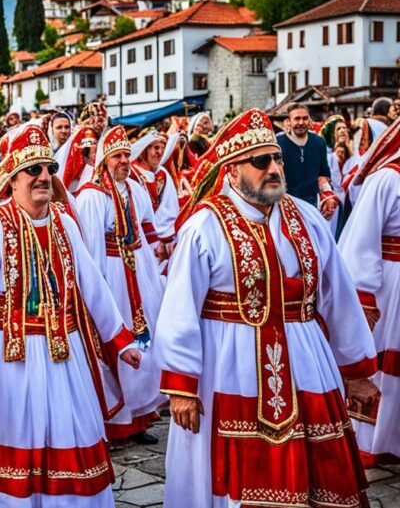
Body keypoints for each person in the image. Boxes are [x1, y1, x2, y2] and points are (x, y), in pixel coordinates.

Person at [154, 108, 379, 507]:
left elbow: (337, 296)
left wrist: (356, 370)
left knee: (318, 467)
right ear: (232, 170)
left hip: (307, 361)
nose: (274, 167)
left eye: (276, 158)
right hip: (228, 367)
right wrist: (182, 386)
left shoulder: (305, 218)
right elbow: (179, 310)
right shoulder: (204, 227)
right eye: (261, 161)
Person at [0, 123, 141, 507]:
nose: (44, 177)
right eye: (33, 170)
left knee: (73, 438)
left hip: (65, 360)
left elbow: (93, 286)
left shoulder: (65, 223)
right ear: (12, 178)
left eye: (49, 169)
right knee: (13, 448)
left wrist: (120, 340)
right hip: (8, 366)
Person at [75, 126, 166, 443]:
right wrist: (96, 289)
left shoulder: (136, 190)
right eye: (118, 156)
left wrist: (152, 276)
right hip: (111, 276)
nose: (124, 161)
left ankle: (140, 415)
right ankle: (116, 420)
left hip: (137, 272)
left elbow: (144, 234)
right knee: (117, 339)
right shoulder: (91, 195)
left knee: (144, 341)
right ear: (104, 160)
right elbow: (89, 247)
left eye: (128, 155)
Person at [339, 119, 400, 467]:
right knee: (385, 360)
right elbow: (362, 240)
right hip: (391, 283)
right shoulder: (387, 178)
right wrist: (364, 296)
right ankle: (375, 440)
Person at [277, 105, 337, 218]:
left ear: (309, 120)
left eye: (305, 118)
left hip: (312, 204)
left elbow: (323, 174)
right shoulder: (278, 143)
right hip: (285, 203)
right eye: (297, 118)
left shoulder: (319, 142)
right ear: (289, 121)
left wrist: (328, 195)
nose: (301, 122)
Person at [130, 130, 178, 257]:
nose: (160, 152)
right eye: (156, 148)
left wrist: (165, 236)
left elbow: (171, 208)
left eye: (163, 148)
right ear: (144, 150)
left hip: (164, 238)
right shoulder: (131, 174)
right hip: (140, 240)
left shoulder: (163, 173)